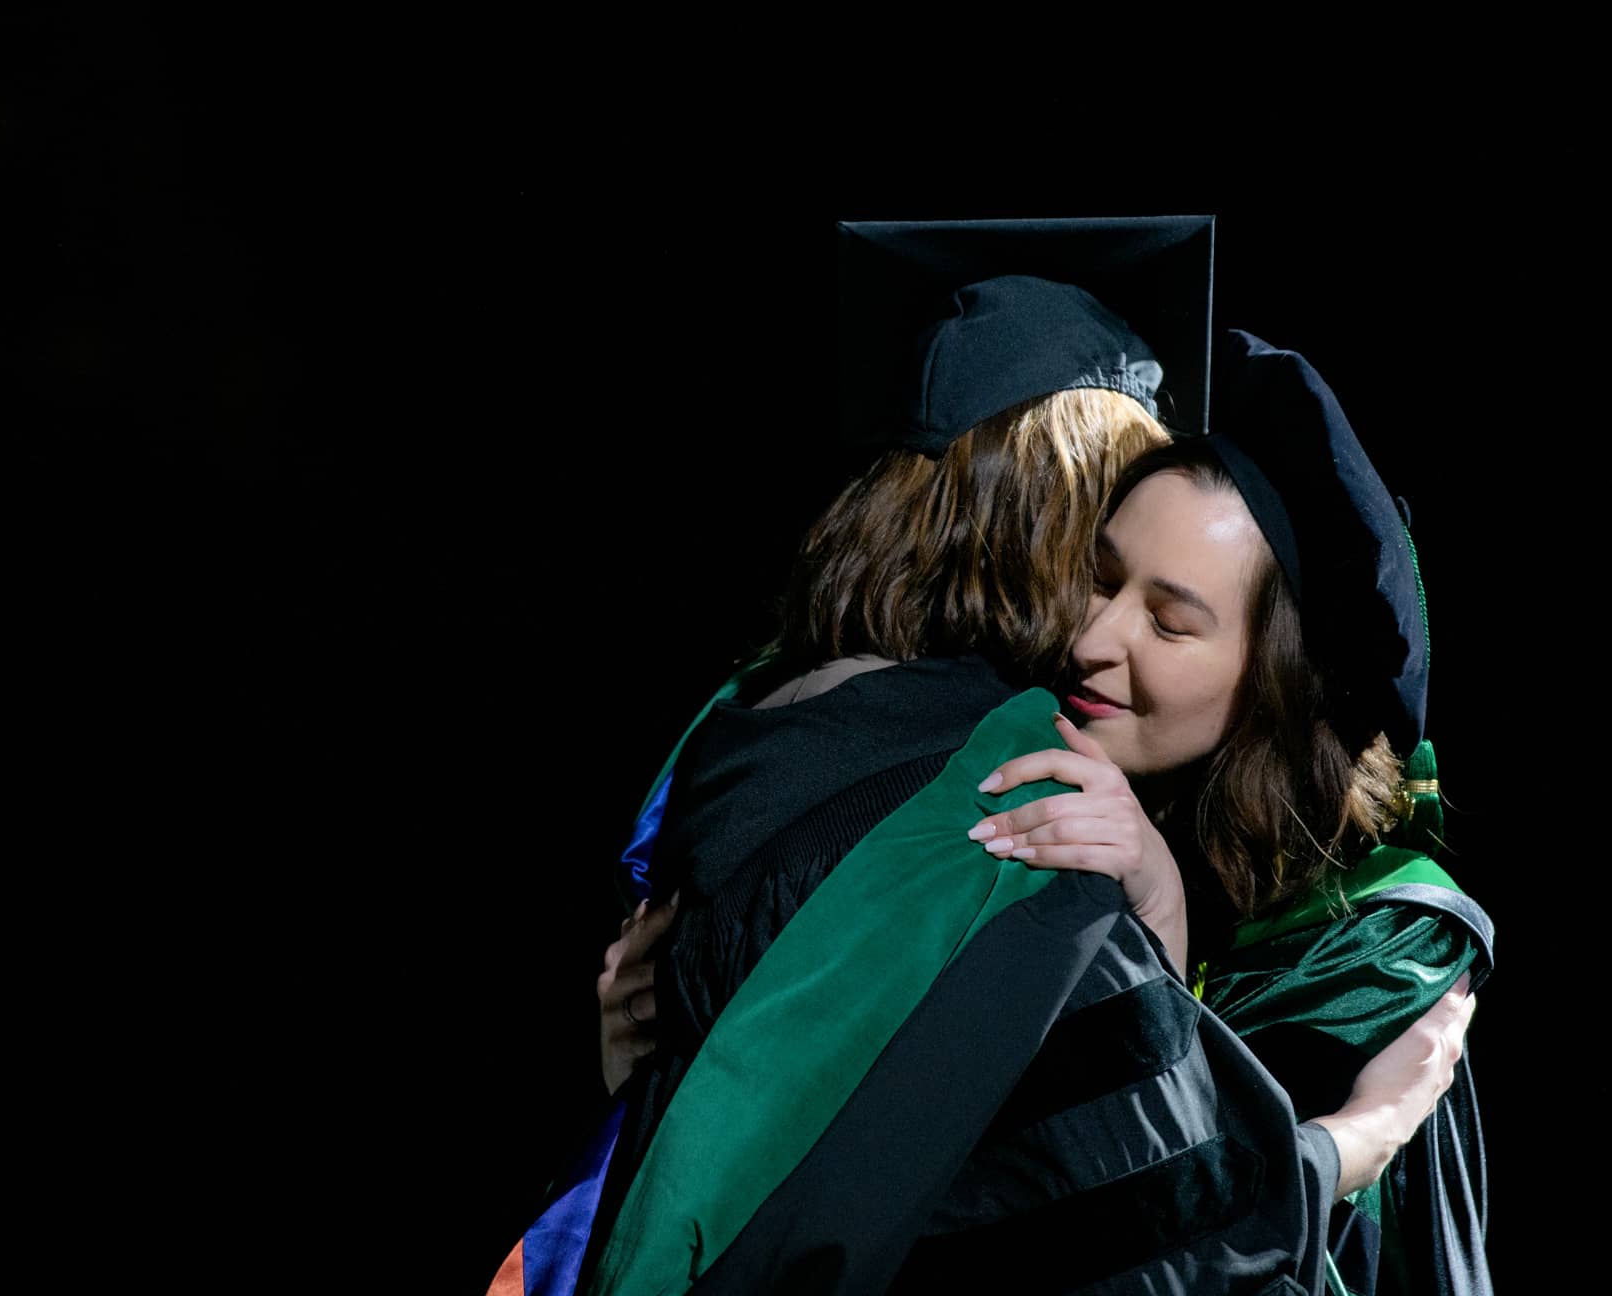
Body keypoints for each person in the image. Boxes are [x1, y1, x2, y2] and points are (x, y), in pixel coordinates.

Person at [502, 277, 1474, 1296]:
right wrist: (1342, 1145)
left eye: (1171, 620)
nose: (1091, 637)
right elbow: (1112, 1224)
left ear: (1268, 678)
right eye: (1094, 572)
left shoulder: (1363, 952)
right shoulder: (1006, 814)